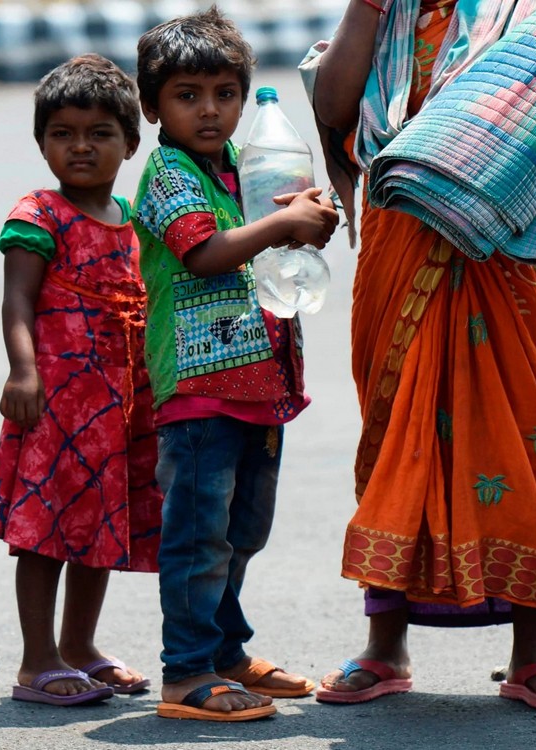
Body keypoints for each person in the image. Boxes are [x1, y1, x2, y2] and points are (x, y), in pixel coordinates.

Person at [305, 0, 536, 708]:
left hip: (527, 266)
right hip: (405, 253)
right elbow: (334, 104)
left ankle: (531, 654)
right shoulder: (395, 14)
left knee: (526, 447)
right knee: (396, 446)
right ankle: (385, 647)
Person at [132, 7, 339, 722]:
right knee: (197, 535)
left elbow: (276, 252)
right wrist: (284, 223)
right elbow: (203, 252)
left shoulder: (242, 171)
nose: (210, 109)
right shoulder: (168, 172)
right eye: (187, 95)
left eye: (225, 93)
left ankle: (224, 650)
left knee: (241, 530)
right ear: (152, 104)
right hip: (198, 391)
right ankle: (186, 673)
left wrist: (307, 224)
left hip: (261, 385)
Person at [0, 53, 161, 707]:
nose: (80, 147)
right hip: (56, 402)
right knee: (47, 530)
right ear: (42, 142)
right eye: (63, 134)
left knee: (98, 526)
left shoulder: (137, 220)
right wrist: (23, 371)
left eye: (99, 134)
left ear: (130, 142)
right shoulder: (39, 214)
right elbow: (16, 304)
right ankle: (38, 659)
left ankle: (81, 646)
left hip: (122, 407)